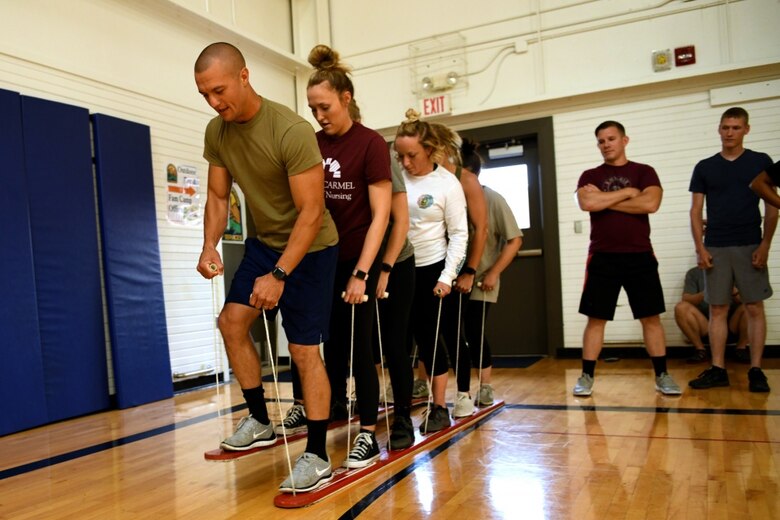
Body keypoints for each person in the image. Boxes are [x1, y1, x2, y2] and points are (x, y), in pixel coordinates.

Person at [194, 42, 339, 493]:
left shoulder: (290, 130)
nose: (214, 102)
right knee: (231, 322)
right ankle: (259, 420)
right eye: (204, 94)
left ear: (244, 76)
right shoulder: (217, 132)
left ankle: (317, 454)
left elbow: (311, 212)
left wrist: (278, 275)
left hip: (312, 247)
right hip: (265, 243)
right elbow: (218, 196)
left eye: (219, 90)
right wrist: (209, 245)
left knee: (302, 350)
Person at [305, 44, 391, 468]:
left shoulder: (371, 143)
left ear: (346, 98)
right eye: (312, 109)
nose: (319, 116)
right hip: (322, 258)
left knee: (361, 348)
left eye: (325, 107)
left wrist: (362, 273)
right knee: (329, 346)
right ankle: (331, 410)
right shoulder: (312, 144)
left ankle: (369, 433)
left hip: (358, 257)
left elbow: (381, 216)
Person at [573, 120, 681, 397]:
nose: (606, 144)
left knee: (650, 317)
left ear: (624, 140)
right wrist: (627, 193)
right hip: (602, 257)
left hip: (640, 255)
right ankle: (586, 376)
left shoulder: (644, 171)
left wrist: (605, 200)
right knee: (596, 319)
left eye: (611, 139)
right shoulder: (590, 175)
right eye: (601, 141)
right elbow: (587, 203)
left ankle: (662, 375)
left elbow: (650, 203)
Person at [688, 107, 776, 393]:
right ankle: (718, 369)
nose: (729, 133)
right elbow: (695, 210)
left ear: (746, 130)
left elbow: (772, 206)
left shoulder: (760, 162)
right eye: (725, 127)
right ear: (719, 129)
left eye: (736, 127)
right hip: (716, 245)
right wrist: (700, 248)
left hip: (750, 243)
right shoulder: (705, 167)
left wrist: (765, 244)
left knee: (754, 307)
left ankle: (756, 370)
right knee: (718, 308)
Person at [395, 109, 469, 433]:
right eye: (400, 155)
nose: (405, 162)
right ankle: (400, 406)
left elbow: (460, 234)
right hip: (399, 267)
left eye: (411, 155)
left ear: (429, 150)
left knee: (429, 339)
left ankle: (439, 407)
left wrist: (446, 277)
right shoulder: (396, 177)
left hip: (431, 268)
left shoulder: (447, 184)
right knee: (399, 339)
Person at [458, 138, 523, 406]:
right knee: (445, 333)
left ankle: (485, 386)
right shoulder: (450, 197)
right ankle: (424, 382)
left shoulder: (492, 199)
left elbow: (515, 240)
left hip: (481, 279)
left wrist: (494, 272)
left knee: (474, 332)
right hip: (451, 278)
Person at [373, 158, 417, 449]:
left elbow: (401, 219)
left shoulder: (381, 159)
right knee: (365, 344)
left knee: (394, 342)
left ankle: (402, 416)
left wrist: (386, 269)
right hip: (357, 260)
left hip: (396, 262)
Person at [675, 266, 748, 363]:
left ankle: (741, 348)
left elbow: (747, 299)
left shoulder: (735, 270)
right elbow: (686, 298)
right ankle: (700, 350)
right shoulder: (694, 273)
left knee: (751, 307)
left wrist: (734, 291)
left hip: (732, 324)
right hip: (706, 325)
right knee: (681, 308)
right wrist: (706, 293)